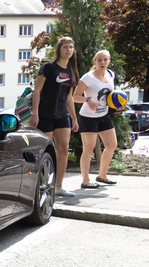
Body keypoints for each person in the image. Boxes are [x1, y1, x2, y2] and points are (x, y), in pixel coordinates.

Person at [30, 36, 79, 198]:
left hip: (62, 115)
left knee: (63, 149)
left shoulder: (71, 71)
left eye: (71, 47)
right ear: (59, 49)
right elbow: (37, 91)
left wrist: (74, 117)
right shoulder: (49, 68)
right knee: (46, 151)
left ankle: (58, 186)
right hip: (45, 114)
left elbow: (69, 97)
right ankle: (41, 185)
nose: (69, 50)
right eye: (65, 47)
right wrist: (35, 112)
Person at [73, 50, 118, 188]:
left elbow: (110, 96)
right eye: (99, 60)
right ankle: (85, 181)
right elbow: (74, 96)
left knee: (112, 145)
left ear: (109, 61)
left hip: (104, 115)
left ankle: (102, 176)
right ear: (95, 62)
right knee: (88, 148)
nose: (102, 62)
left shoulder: (111, 74)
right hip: (88, 117)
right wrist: (88, 99)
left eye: (105, 59)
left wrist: (118, 104)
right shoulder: (88, 78)